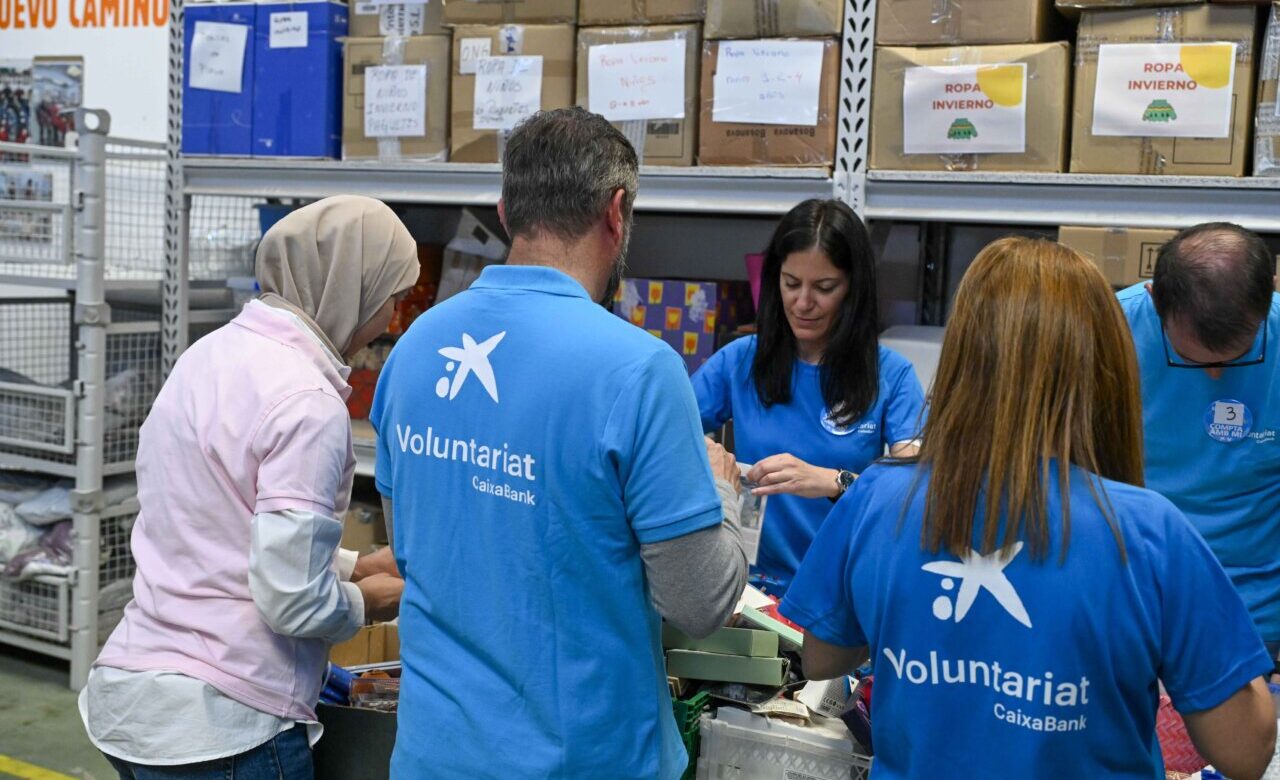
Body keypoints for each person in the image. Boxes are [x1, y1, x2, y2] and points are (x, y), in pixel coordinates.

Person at [780, 237, 1276, 778]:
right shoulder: (1150, 532)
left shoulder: (876, 497)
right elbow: (1245, 753)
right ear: (1103, 361)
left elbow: (823, 658)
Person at [370, 107, 747, 779]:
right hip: (582, 762)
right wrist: (720, 488)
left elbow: (410, 546)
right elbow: (699, 602)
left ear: (505, 209)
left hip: (434, 756)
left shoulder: (418, 345)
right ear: (617, 210)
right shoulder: (639, 370)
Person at [80, 195, 415, 779]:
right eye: (391, 295)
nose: (390, 319)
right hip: (224, 724)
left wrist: (358, 565)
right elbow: (291, 601)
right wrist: (386, 600)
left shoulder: (207, 356)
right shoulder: (308, 403)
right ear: (351, 286)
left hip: (136, 700)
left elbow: (219, 526)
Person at [691, 199, 926, 594]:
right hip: (749, 595)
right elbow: (658, 438)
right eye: (790, 283)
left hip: (840, 596)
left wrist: (834, 481)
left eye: (824, 288)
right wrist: (710, 460)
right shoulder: (739, 360)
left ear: (853, 287)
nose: (802, 303)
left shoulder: (893, 375)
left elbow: (913, 496)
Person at [1117, 222, 1280, 662]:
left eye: (1240, 353)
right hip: (1129, 600)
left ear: (1269, 298)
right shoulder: (1107, 334)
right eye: (1189, 358)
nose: (1215, 376)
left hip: (1255, 618)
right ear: (1154, 298)